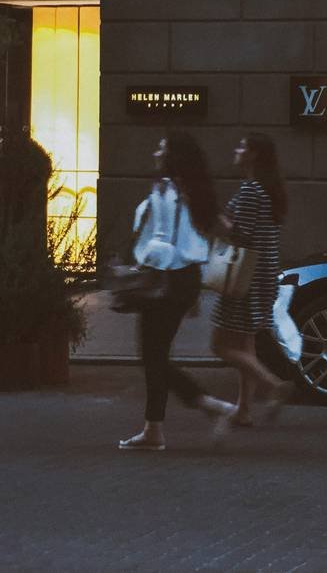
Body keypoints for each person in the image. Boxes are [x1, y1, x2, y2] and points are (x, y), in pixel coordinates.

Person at [119, 133, 235, 451]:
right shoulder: (194, 190)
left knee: (153, 356)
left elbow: (160, 241)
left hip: (163, 278)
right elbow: (223, 228)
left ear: (172, 156)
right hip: (185, 280)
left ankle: (211, 406)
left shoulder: (165, 188)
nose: (155, 151)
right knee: (155, 355)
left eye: (161, 147)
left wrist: (140, 267)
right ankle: (153, 429)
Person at [210, 133, 291, 426]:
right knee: (246, 345)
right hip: (264, 276)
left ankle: (273, 385)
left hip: (244, 278)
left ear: (254, 155)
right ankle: (243, 410)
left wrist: (218, 222)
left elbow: (239, 234)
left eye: (242, 146)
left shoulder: (250, 191)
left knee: (219, 345)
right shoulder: (269, 191)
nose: (236, 149)